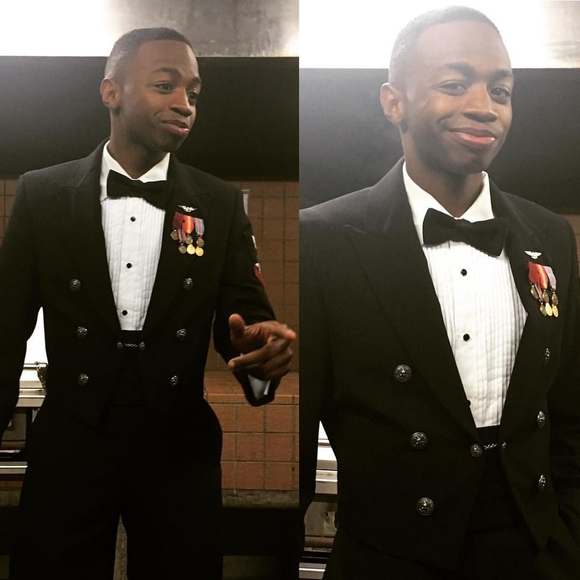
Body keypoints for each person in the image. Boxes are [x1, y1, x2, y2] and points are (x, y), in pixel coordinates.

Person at [0, 27, 295, 579]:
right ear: (111, 92)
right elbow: (6, 324)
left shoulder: (219, 203)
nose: (185, 103)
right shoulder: (44, 193)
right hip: (72, 435)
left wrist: (260, 352)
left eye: (194, 93)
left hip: (177, 442)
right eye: (165, 85)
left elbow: (244, 318)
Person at [300, 6, 580, 579]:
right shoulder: (324, 239)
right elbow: (299, 434)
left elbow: (570, 411)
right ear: (394, 102)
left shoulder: (550, 235)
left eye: (500, 90)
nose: (484, 106)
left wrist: (568, 542)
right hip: (390, 558)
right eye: (454, 84)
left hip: (531, 555)